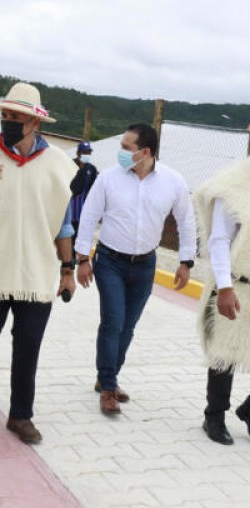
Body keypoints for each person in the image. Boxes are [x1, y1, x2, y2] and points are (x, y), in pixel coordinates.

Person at [0, 82, 77, 445]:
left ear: (35, 122)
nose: (8, 122)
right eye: (5, 115)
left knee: (28, 344)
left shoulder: (56, 164)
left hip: (37, 271)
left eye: (16, 117)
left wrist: (67, 270)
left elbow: (63, 222)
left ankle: (21, 415)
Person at [75, 123, 196, 415]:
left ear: (145, 152)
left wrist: (185, 261)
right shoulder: (108, 178)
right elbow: (89, 216)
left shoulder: (173, 181)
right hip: (110, 261)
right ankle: (107, 387)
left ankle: (107, 376)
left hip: (145, 264)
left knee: (128, 327)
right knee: (113, 321)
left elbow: (186, 221)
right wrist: (82, 260)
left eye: (127, 148)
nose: (121, 152)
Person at [192, 157, 250, 444]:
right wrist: (225, 288)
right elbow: (218, 240)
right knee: (223, 353)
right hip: (236, 283)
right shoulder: (231, 187)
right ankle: (214, 416)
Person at [69, 141, 98, 245]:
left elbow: (94, 190)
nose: (87, 155)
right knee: (67, 235)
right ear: (78, 153)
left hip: (83, 208)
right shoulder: (69, 164)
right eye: (84, 152)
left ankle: (74, 258)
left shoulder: (92, 169)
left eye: (88, 152)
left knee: (79, 236)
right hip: (69, 207)